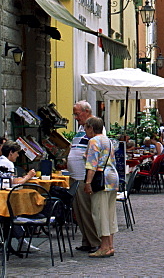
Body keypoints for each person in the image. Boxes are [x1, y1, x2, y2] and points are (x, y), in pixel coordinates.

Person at [82, 116, 118, 258]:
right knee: (110, 213)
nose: (85, 130)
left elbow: (92, 164)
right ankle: (110, 245)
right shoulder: (108, 140)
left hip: (100, 179)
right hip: (112, 178)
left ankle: (103, 247)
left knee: (100, 213)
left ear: (91, 128)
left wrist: (87, 183)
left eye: (86, 127)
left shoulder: (93, 141)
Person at [69, 100, 100, 253]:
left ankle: (94, 241)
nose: (75, 117)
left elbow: (95, 151)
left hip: (83, 177)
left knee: (87, 211)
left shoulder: (93, 127)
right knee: (79, 211)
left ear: (86, 112)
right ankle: (86, 240)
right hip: (75, 177)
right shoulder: (81, 129)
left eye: (77, 113)